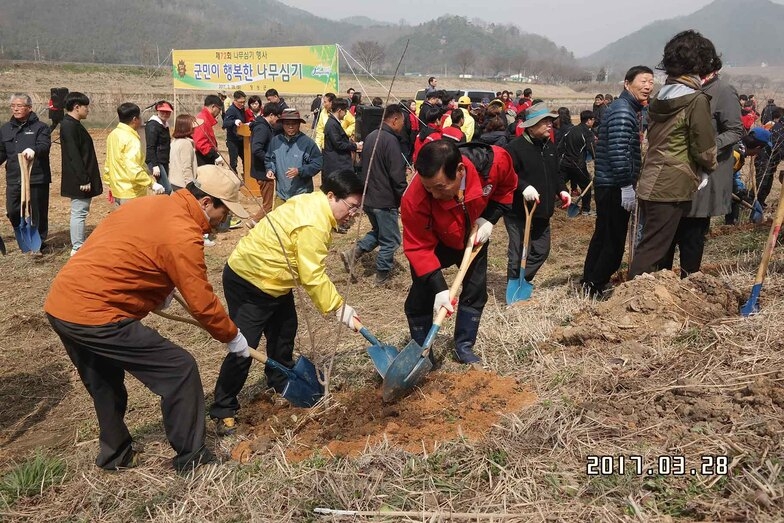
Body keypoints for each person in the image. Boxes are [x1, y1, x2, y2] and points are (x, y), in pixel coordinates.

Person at [44, 167, 251, 473]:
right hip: (97, 312)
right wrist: (232, 336)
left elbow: (124, 250)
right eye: (224, 212)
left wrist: (157, 292)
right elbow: (203, 303)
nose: (224, 221)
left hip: (62, 303)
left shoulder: (148, 204)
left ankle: (116, 455)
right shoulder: (183, 232)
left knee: (104, 382)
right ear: (206, 202)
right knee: (179, 370)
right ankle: (192, 458)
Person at [210, 169, 364, 435]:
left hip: (276, 280)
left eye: (357, 209)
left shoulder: (314, 203)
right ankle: (223, 407)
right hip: (250, 279)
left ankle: (279, 378)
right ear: (331, 196)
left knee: (284, 330)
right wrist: (339, 308)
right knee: (245, 345)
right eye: (351, 207)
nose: (353, 214)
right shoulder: (314, 222)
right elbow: (312, 274)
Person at [401, 140, 516, 366]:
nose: (433, 194)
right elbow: (418, 247)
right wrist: (440, 289)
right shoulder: (414, 199)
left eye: (440, 187)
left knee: (475, 290)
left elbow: (508, 187)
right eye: (428, 187)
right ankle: (423, 354)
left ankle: (464, 346)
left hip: (473, 234)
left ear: (460, 171)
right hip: (435, 242)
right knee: (421, 295)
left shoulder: (495, 163)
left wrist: (489, 219)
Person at [628, 30, 718, 280]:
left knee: (653, 243)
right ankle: (630, 299)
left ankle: (646, 294)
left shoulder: (662, 96)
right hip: (671, 183)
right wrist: (708, 166)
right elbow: (703, 146)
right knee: (653, 249)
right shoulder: (695, 99)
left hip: (651, 178)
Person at [661, 57, 743, 277]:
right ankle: (662, 284)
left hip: (703, 174)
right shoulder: (683, 88)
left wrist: (707, 146)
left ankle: (689, 283)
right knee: (667, 232)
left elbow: (735, 130)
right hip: (675, 172)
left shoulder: (723, 91)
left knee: (692, 233)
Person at [580, 66, 654, 298]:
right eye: (643, 81)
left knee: (603, 235)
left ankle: (589, 282)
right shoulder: (623, 112)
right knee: (612, 241)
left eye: (651, 82)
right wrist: (626, 186)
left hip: (607, 183)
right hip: (614, 185)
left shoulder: (623, 108)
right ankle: (595, 284)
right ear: (626, 84)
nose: (648, 86)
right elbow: (619, 151)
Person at [504, 102, 571, 284]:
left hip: (542, 210)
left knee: (542, 250)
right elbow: (507, 176)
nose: (550, 125)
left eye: (550, 121)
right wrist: (523, 186)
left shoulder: (549, 146)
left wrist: (563, 190)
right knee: (518, 250)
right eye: (545, 121)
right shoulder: (514, 148)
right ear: (532, 126)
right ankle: (514, 283)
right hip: (518, 210)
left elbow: (556, 173)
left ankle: (523, 280)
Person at [341, 104, 407, 284]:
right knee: (391, 240)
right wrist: (404, 196)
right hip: (384, 199)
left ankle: (353, 253)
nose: (403, 125)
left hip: (370, 197)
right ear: (394, 120)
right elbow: (397, 174)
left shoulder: (371, 136)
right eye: (402, 121)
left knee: (379, 232)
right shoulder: (390, 140)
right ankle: (382, 275)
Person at [1, 93, 52, 253]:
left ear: (29, 108)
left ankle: (39, 243)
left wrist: (33, 150)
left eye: (19, 105)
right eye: (13, 106)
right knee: (12, 209)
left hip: (36, 177)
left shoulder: (41, 128)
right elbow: (2, 152)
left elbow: (44, 146)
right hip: (14, 177)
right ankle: (22, 234)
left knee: (38, 212)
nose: (15, 109)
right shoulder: (5, 129)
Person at [59, 92, 102, 256]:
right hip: (78, 179)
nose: (88, 110)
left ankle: (78, 244)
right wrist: (83, 179)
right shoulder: (69, 125)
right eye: (86, 107)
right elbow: (73, 155)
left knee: (81, 210)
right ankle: (77, 247)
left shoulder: (74, 124)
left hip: (82, 176)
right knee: (79, 211)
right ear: (77, 107)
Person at [104, 103, 165, 204]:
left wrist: (110, 183)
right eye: (139, 117)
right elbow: (133, 168)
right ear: (134, 119)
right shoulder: (131, 139)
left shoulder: (113, 134)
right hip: (131, 192)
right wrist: (152, 184)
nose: (141, 120)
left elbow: (108, 163)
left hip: (117, 190)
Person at [265, 111, 323, 206]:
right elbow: (270, 159)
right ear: (282, 125)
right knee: (280, 219)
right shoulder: (276, 141)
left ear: (299, 124)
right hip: (281, 194)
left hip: (302, 194)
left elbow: (317, 163)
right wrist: (270, 169)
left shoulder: (308, 143)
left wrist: (300, 171)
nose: (290, 127)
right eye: (287, 124)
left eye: (294, 124)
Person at [725, 129, 772, 224]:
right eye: (761, 150)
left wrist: (739, 189)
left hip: (724, 186)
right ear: (758, 147)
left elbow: (733, 176)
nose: (759, 152)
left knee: (739, 200)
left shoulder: (739, 149)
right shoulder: (735, 154)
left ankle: (731, 225)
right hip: (707, 192)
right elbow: (721, 178)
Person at [558, 110, 596, 214]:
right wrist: (597, 161)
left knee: (559, 183)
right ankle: (585, 209)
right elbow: (592, 150)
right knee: (586, 186)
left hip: (565, 163)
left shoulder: (571, 129)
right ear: (588, 120)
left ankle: (563, 201)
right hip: (578, 165)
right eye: (593, 119)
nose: (594, 121)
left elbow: (560, 146)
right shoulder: (587, 133)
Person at [250, 102, 282, 218]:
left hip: (262, 170)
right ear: (272, 115)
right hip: (263, 172)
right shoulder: (262, 128)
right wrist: (269, 161)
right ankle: (254, 223)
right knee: (268, 205)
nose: (278, 120)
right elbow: (256, 149)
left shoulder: (263, 125)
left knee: (267, 203)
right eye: (278, 117)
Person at [323, 98, 361, 180]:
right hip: (337, 164)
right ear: (339, 110)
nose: (346, 114)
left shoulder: (334, 123)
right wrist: (355, 146)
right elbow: (338, 144)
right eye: (345, 111)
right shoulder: (332, 124)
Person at [753, 109, 784, 207]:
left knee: (766, 184)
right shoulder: (775, 127)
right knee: (762, 183)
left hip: (769, 159)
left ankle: (760, 203)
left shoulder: (772, 125)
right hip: (765, 158)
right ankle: (751, 203)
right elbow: (776, 146)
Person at [145, 100, 173, 194]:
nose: (165, 114)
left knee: (163, 188)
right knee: (166, 189)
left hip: (164, 159)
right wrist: (155, 165)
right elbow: (150, 146)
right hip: (156, 160)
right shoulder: (153, 125)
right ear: (157, 111)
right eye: (162, 111)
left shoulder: (164, 124)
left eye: (167, 112)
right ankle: (162, 207)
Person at [168, 114, 198, 192]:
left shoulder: (174, 141)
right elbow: (186, 167)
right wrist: (191, 186)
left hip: (174, 182)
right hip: (183, 184)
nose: (194, 127)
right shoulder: (185, 144)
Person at [193, 95, 225, 167]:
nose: (219, 113)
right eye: (219, 109)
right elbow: (200, 142)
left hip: (206, 156)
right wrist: (214, 155)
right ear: (213, 107)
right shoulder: (202, 120)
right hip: (202, 158)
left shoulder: (205, 118)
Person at [223, 90, 249, 173]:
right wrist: (234, 121)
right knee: (233, 162)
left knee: (246, 160)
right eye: (240, 102)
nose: (242, 104)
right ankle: (234, 178)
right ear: (235, 100)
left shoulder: (242, 109)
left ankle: (246, 178)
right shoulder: (231, 110)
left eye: (244, 102)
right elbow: (225, 124)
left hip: (242, 139)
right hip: (233, 141)